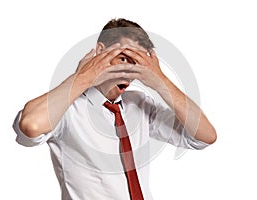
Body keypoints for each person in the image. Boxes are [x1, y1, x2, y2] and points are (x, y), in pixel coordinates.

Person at [13, 18, 217, 200]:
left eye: (138, 63)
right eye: (124, 58)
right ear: (100, 51)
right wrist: (84, 77)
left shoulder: (139, 103)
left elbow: (205, 136)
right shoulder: (67, 107)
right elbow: (30, 126)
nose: (129, 71)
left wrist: (161, 81)